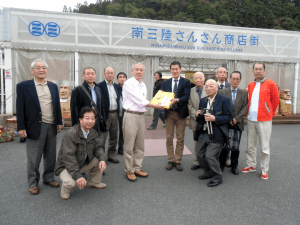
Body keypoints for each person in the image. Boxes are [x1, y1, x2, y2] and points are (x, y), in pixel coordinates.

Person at [16, 59, 62, 195]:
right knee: (34, 158)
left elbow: (57, 106)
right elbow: (20, 108)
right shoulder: (24, 86)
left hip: (51, 125)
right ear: (32, 70)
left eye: (44, 68)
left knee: (50, 155)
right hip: (34, 126)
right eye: (38, 68)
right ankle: (33, 183)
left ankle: (48, 178)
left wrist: (59, 122)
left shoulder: (53, 86)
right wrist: (21, 127)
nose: (41, 70)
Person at [122, 63, 164, 182]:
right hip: (130, 115)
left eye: (141, 70)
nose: (139, 72)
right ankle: (129, 170)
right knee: (129, 145)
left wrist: (160, 102)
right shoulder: (128, 83)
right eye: (137, 69)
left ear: (143, 72)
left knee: (140, 144)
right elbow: (138, 99)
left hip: (141, 116)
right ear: (132, 71)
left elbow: (144, 100)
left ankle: (137, 168)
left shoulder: (143, 84)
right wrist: (154, 105)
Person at [55, 107, 107, 200]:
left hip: (81, 164)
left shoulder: (93, 132)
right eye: (87, 118)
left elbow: (99, 148)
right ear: (80, 119)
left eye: (92, 118)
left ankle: (93, 182)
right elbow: (68, 157)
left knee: (99, 160)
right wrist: (78, 176)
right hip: (65, 167)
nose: (90, 121)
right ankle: (66, 189)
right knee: (72, 183)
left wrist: (103, 159)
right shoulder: (71, 134)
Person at [241, 63, 279, 180]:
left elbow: (275, 101)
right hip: (251, 120)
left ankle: (264, 169)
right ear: (253, 71)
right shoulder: (251, 84)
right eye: (256, 69)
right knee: (250, 145)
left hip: (264, 120)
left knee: (264, 147)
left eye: (260, 69)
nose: (258, 71)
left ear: (264, 70)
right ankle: (251, 165)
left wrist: (269, 114)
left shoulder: (271, 84)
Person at [195, 79, 232, 187]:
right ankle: (208, 171)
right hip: (204, 132)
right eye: (206, 86)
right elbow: (201, 118)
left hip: (217, 133)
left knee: (210, 155)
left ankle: (217, 177)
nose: (208, 88)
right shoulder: (203, 100)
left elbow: (228, 117)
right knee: (199, 155)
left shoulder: (224, 99)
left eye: (211, 86)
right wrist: (198, 114)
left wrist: (215, 118)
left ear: (217, 87)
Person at [161, 61, 191, 171]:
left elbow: (186, 96)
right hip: (169, 113)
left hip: (181, 114)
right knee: (169, 138)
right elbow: (162, 96)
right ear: (170, 70)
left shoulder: (186, 82)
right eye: (172, 69)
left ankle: (178, 161)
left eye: (176, 69)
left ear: (180, 70)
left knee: (180, 138)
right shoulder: (165, 83)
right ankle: (170, 160)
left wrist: (177, 100)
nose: (174, 71)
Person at [219, 71, 248, 175]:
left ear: (240, 80)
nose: (235, 81)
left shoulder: (244, 93)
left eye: (237, 79)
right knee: (224, 147)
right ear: (230, 79)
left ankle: (234, 166)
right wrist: (228, 119)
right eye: (233, 78)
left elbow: (245, 108)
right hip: (226, 124)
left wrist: (236, 119)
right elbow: (221, 107)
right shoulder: (223, 92)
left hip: (237, 124)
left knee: (235, 148)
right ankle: (221, 166)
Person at [97, 67, 122, 163]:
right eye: (108, 73)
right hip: (104, 115)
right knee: (102, 138)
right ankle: (102, 158)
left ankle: (111, 155)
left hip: (115, 114)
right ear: (104, 74)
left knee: (114, 136)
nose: (110, 75)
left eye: (112, 73)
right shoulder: (99, 86)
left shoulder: (117, 86)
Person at [70, 67, 105, 133]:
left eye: (92, 74)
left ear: (95, 76)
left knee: (95, 140)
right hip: (84, 121)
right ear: (83, 76)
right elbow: (74, 110)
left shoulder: (98, 89)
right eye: (88, 74)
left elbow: (101, 107)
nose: (90, 76)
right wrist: (75, 126)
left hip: (96, 120)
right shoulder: (77, 90)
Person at [187, 72, 207, 170]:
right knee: (196, 142)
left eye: (200, 78)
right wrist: (196, 115)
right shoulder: (191, 91)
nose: (198, 80)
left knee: (207, 141)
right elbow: (189, 105)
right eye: (196, 78)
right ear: (193, 80)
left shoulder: (208, 89)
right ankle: (197, 160)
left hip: (207, 120)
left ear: (204, 79)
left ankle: (206, 161)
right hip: (195, 120)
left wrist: (204, 116)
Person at [116, 72, 127, 155]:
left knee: (123, 132)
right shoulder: (115, 87)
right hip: (116, 113)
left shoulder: (129, 88)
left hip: (126, 114)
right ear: (117, 79)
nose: (122, 78)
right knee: (115, 132)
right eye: (120, 77)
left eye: (123, 77)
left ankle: (121, 148)